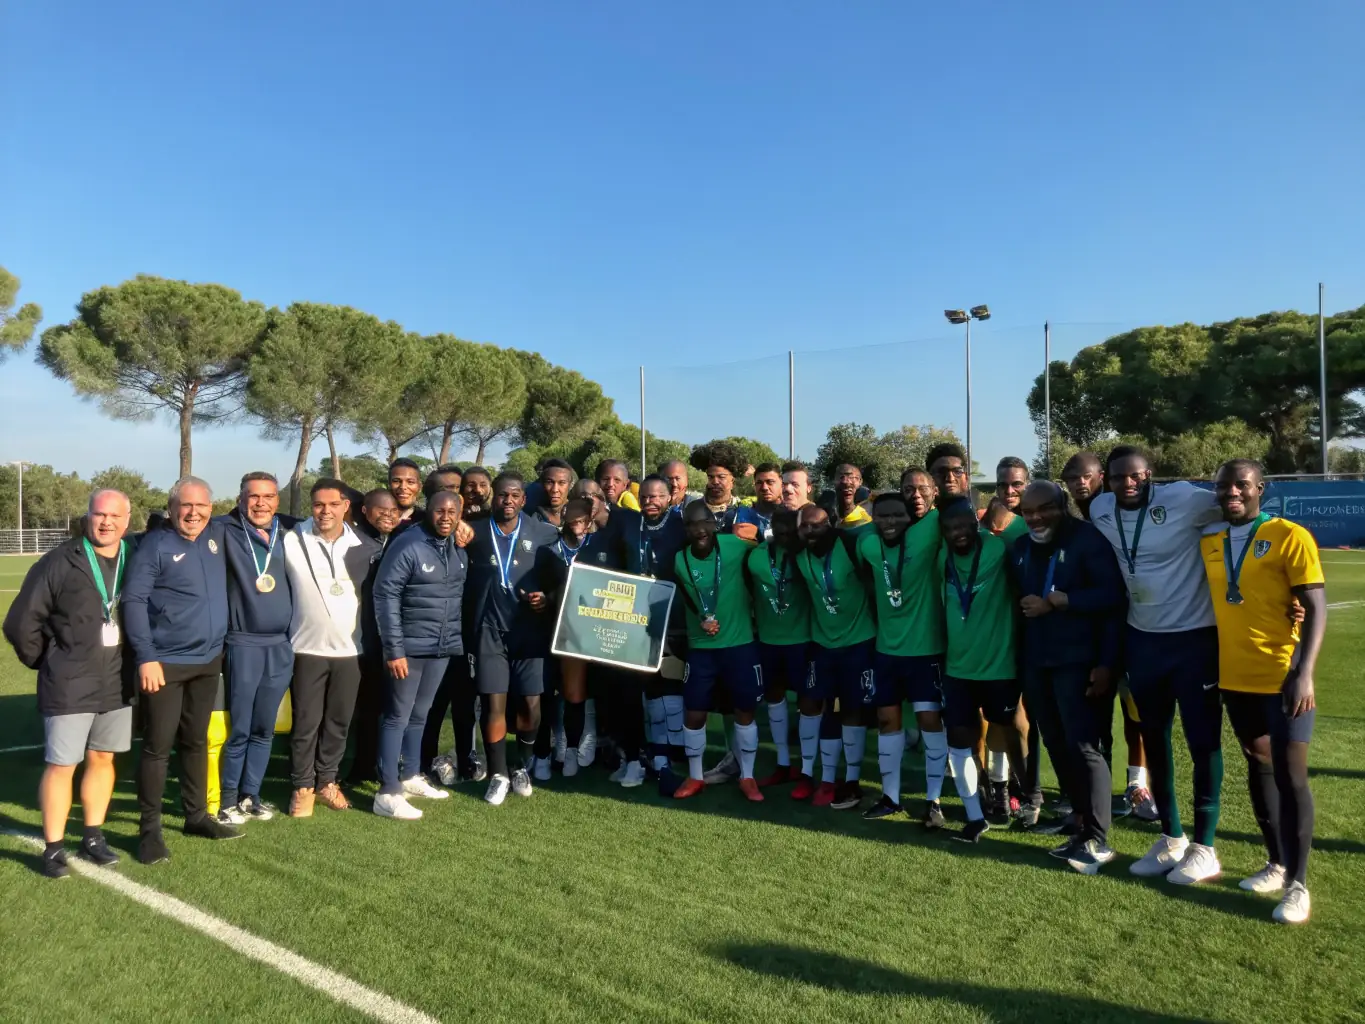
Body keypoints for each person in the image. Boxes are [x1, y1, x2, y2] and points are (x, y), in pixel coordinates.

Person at [1089, 446, 1227, 883]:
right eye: (1118, 478)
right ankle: (1172, 838)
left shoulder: (1186, 498)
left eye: (1136, 476)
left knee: (1203, 741)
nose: (1128, 484)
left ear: (1151, 475)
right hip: (1142, 642)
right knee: (1155, 737)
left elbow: (1236, 507)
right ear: (1107, 481)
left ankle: (1205, 847)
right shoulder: (1100, 508)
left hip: (1194, 640)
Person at [1203, 460, 1324, 924]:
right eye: (1223, 485)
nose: (1231, 492)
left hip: (1283, 676)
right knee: (1259, 763)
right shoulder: (1211, 542)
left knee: (1292, 776)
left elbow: (1314, 605)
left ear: (1260, 489)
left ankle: (1298, 883)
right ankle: (1275, 863)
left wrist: (1304, 671)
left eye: (1241, 485)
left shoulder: (1290, 536)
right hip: (1234, 677)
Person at [4, 489, 135, 877]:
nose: (106, 522)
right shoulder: (60, 560)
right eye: (98, 514)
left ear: (127, 521)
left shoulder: (135, 558)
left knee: (103, 758)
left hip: (118, 681)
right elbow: (20, 622)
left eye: (114, 516)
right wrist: (48, 661)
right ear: (87, 517)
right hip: (69, 683)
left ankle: (93, 836)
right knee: (62, 764)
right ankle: (53, 847)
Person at [122, 476, 241, 863]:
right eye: (185, 506)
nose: (194, 513)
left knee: (196, 741)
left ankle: (196, 816)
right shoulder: (155, 545)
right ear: (172, 509)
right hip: (164, 664)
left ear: (212, 508)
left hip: (207, 662)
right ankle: (149, 831)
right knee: (158, 747)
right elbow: (135, 601)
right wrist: (146, 655)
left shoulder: (216, 537)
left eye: (201, 506)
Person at [1012, 481, 1126, 873]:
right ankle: (1078, 823)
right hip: (1038, 662)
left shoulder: (1088, 540)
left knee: (1084, 746)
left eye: (1044, 508)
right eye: (1027, 511)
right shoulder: (1022, 547)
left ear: (1063, 505)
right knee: (1058, 744)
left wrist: (1065, 603)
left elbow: (1114, 599)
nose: (1035, 517)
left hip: (1078, 661)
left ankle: (1098, 839)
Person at [1061, 450, 1156, 821]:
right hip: (1094, 632)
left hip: (1136, 627)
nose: (1079, 484)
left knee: (1137, 712)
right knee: (1095, 713)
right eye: (1072, 479)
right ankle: (1092, 788)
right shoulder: (1074, 523)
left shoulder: (1127, 511)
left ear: (1102, 476)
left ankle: (1137, 784)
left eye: (1085, 477)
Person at [281, 479, 379, 815]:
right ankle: (302, 786)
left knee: (338, 722)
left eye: (332, 505)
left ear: (345, 506)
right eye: (318, 505)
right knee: (306, 723)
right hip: (306, 649)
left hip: (350, 651)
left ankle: (327, 782)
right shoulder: (292, 538)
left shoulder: (364, 545)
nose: (325, 511)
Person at [857, 483, 951, 825]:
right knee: (887, 722)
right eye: (883, 516)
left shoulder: (925, 537)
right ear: (874, 519)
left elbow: (948, 508)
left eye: (898, 515)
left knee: (929, 722)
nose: (890, 522)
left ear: (910, 518)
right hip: (886, 652)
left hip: (925, 652)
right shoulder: (868, 544)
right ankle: (890, 797)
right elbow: (865, 530)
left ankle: (934, 800)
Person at [463, 472, 560, 805]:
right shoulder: (472, 531)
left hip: (530, 631)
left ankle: (520, 765)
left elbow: (559, 580)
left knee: (532, 708)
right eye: (502, 495)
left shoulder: (545, 534)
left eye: (514, 495)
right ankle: (498, 773)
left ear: (523, 500)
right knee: (494, 703)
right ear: (493, 497)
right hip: (490, 631)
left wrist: (546, 598)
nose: (507, 501)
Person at [371, 491, 468, 820]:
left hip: (440, 648)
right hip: (407, 649)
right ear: (429, 510)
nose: (445, 516)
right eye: (439, 510)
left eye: (452, 511)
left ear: (460, 514)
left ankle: (410, 775)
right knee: (397, 715)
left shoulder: (457, 546)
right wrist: (394, 649)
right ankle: (387, 791)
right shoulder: (409, 543)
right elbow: (385, 595)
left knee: (420, 714)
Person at [938, 498, 1024, 843]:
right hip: (957, 667)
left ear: (977, 523)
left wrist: (1001, 508)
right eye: (950, 528)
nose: (958, 533)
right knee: (959, 738)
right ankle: (974, 815)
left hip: (999, 664)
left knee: (1001, 734)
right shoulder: (940, 558)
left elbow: (1016, 520)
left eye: (964, 525)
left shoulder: (998, 547)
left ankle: (1009, 794)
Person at [671, 501, 764, 801]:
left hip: (740, 645)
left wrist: (761, 534)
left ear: (714, 524)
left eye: (705, 523)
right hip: (702, 649)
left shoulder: (735, 545)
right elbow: (688, 599)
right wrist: (701, 618)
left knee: (745, 711)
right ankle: (696, 776)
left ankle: (748, 776)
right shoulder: (679, 560)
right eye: (692, 525)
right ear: (685, 530)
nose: (699, 530)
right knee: (694, 713)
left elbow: (768, 551)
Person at [216, 472, 295, 823]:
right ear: (240, 498)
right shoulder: (224, 530)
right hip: (243, 643)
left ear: (277, 500)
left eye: (268, 496)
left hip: (281, 646)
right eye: (253, 496)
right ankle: (227, 800)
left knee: (265, 728)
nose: (260, 503)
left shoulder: (291, 534)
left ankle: (252, 795)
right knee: (241, 728)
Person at [793, 504, 876, 809]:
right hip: (822, 643)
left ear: (830, 524)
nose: (811, 532)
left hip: (859, 641)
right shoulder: (797, 555)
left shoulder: (851, 546)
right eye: (805, 527)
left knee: (853, 709)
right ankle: (826, 780)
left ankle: (852, 780)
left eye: (817, 526)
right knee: (824, 707)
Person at [615, 475, 689, 783]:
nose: (650, 502)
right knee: (647, 687)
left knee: (670, 685)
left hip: (675, 619)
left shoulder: (682, 526)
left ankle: (675, 752)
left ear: (670, 497)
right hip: (637, 620)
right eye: (645, 497)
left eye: (656, 497)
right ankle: (656, 754)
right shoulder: (630, 524)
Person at [744, 507, 811, 788]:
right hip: (769, 641)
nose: (784, 536)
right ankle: (784, 762)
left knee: (809, 703)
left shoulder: (805, 555)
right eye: (779, 530)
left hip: (804, 641)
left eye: (790, 531)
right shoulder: (756, 556)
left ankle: (807, 769)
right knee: (774, 698)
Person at [345, 488, 401, 785]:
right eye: (381, 510)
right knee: (363, 709)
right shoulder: (353, 544)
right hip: (359, 638)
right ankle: (359, 766)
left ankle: (384, 764)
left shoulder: (401, 540)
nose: (388, 515)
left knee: (388, 707)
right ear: (365, 512)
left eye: (393, 511)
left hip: (393, 640)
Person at [689, 441, 762, 537]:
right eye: (710, 477)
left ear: (732, 480)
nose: (715, 482)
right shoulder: (692, 509)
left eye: (721, 477)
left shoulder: (745, 512)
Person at [531, 458, 576, 527]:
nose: (555, 490)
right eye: (549, 482)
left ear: (570, 485)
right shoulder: (534, 519)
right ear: (542, 484)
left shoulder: (579, 514)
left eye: (562, 483)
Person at [926, 443, 973, 508]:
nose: (951, 479)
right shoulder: (914, 516)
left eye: (957, 471)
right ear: (927, 478)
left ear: (966, 478)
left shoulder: (983, 517)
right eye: (942, 472)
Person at [831, 464, 873, 528]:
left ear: (860, 481)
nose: (846, 482)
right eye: (841, 477)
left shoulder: (865, 520)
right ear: (834, 481)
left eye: (852, 477)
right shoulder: (827, 513)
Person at [750, 462, 783, 538]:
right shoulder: (744, 517)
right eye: (759, 483)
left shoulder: (794, 516)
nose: (764, 487)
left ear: (782, 483)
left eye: (770, 482)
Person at [387, 458, 424, 526]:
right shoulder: (373, 517)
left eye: (410, 482)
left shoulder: (427, 522)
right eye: (396, 481)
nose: (403, 487)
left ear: (420, 487)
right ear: (389, 485)